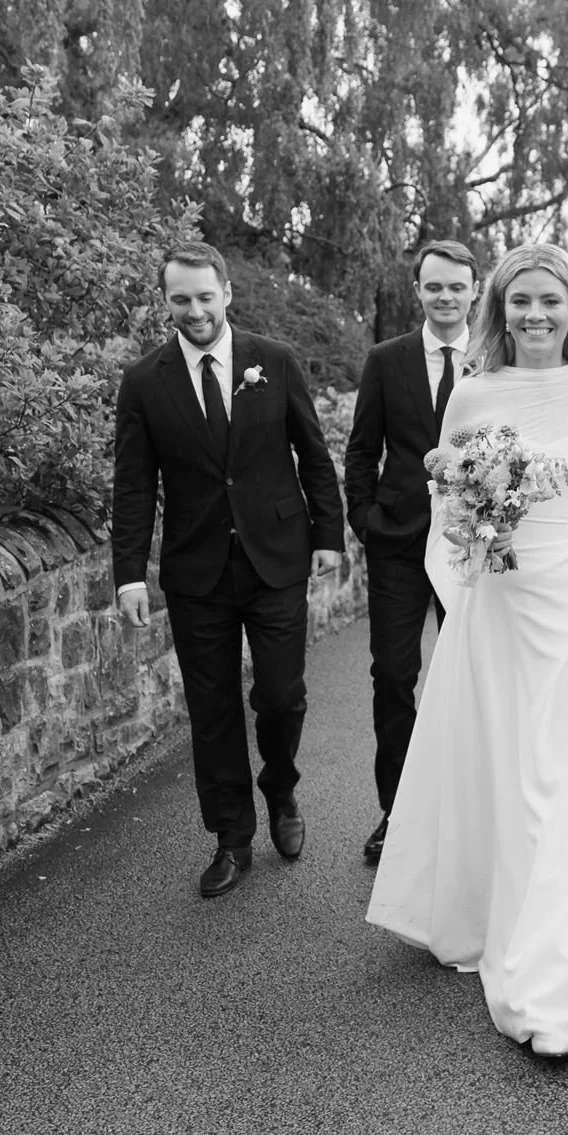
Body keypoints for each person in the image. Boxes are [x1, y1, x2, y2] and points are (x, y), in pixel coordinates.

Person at [366, 244, 568, 1059]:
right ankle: (505, 921)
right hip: (500, 607)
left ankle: (558, 980)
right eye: (520, 301)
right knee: (511, 773)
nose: (536, 314)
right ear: (498, 310)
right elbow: (447, 505)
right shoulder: (472, 393)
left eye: (550, 300)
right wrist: (481, 527)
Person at [112, 241, 345, 898]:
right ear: (166, 302)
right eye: (180, 299)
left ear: (227, 294)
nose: (195, 311)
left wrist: (328, 535)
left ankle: (282, 790)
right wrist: (129, 574)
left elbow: (313, 454)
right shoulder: (144, 381)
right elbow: (133, 486)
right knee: (211, 709)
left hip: (277, 557)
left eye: (205, 297)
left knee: (281, 696)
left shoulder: (275, 360)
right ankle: (231, 838)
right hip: (197, 570)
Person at [343, 240, 481, 865]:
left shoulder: (496, 359)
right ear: (418, 291)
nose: (445, 297)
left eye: (456, 286)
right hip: (397, 543)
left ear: (474, 291)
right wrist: (365, 522)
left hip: (472, 547)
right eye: (434, 286)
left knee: (473, 677)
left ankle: (466, 811)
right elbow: (360, 450)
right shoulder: (386, 359)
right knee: (395, 676)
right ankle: (396, 813)